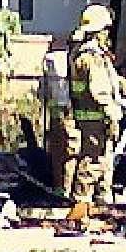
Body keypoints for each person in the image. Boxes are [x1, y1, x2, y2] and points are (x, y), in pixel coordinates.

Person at [69, 4, 126, 205]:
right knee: (93, 162)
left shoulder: (90, 55)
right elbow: (99, 91)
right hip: (97, 119)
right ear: (98, 32)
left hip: (93, 119)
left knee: (105, 162)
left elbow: (108, 80)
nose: (108, 33)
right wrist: (113, 115)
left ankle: (102, 202)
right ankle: (81, 204)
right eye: (106, 29)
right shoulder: (91, 58)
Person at [41, 30, 82, 196]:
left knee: (57, 154)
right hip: (68, 113)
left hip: (55, 115)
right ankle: (66, 192)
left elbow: (43, 92)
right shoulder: (69, 63)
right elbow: (75, 91)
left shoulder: (51, 62)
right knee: (70, 152)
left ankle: (59, 190)